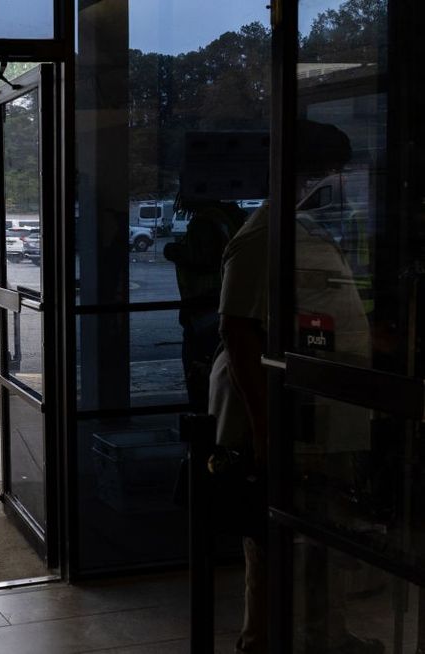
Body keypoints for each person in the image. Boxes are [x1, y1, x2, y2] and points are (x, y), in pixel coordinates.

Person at [209, 120, 381, 654]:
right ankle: (262, 640)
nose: (346, 182)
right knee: (275, 536)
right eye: (339, 171)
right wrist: (266, 430)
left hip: (320, 411)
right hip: (290, 416)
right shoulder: (266, 235)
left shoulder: (302, 227)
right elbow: (238, 330)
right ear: (317, 173)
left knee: (324, 533)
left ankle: (326, 634)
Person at [163, 198, 246, 411]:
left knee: (199, 372)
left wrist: (173, 251)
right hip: (219, 305)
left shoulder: (205, 223)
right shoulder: (227, 220)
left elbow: (203, 258)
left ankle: (205, 425)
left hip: (204, 310)